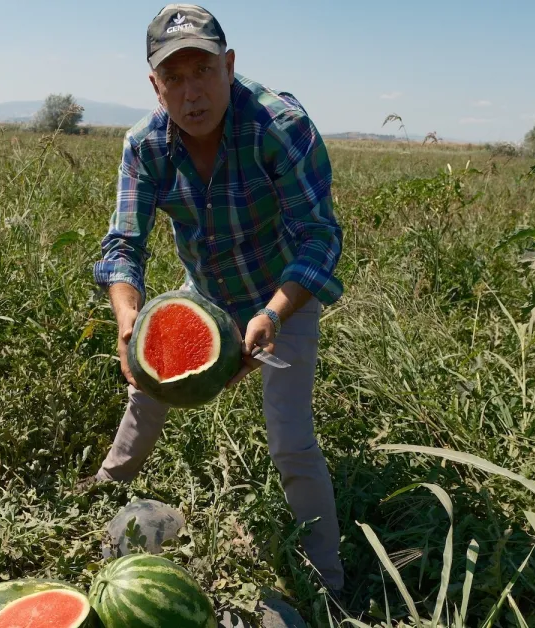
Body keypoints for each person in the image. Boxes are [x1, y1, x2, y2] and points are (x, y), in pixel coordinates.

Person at [81, 3, 347, 600]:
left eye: (202, 70)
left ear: (229, 66)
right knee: (144, 390)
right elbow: (123, 245)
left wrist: (275, 313)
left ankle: (329, 582)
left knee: (290, 438)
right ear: (156, 86)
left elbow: (320, 237)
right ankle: (103, 488)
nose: (190, 92)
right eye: (173, 78)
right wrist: (129, 320)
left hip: (284, 293)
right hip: (205, 291)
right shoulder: (144, 145)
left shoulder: (280, 125)